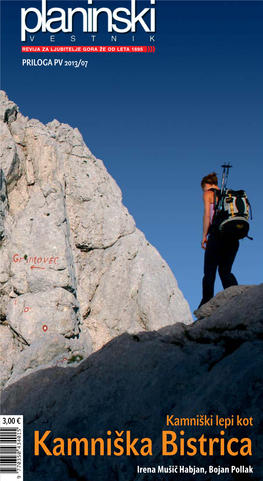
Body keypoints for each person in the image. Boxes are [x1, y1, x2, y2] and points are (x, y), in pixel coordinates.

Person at [198, 172, 239, 308]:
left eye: (203, 188)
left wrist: (204, 236)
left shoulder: (208, 193)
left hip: (217, 237)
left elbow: (207, 215)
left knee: (210, 272)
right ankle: (237, 298)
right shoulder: (230, 194)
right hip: (233, 237)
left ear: (206, 185)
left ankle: (206, 303)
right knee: (225, 271)